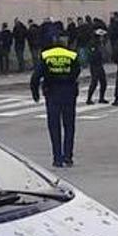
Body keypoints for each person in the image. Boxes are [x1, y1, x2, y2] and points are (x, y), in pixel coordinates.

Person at [31, 38, 81, 168]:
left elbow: (36, 76)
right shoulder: (72, 55)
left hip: (52, 93)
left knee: (54, 127)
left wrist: (35, 93)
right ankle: (68, 156)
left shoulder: (46, 55)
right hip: (69, 93)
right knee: (69, 126)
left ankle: (57, 158)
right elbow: (77, 71)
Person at [86, 29, 110, 105]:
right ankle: (89, 98)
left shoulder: (100, 44)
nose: (103, 38)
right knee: (94, 82)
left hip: (99, 64)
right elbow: (93, 55)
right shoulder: (93, 44)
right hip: (95, 65)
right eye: (101, 36)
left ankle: (101, 98)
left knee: (103, 82)